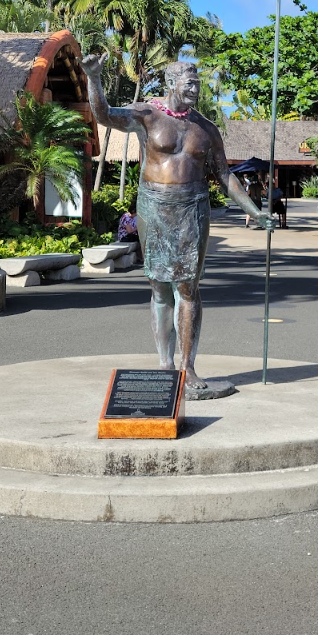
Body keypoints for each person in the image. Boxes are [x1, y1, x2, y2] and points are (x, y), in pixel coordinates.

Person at [83, 56, 273, 394]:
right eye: (189, 84)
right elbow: (103, 114)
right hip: (154, 206)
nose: (195, 90)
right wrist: (94, 78)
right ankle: (165, 365)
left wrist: (254, 211)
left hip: (193, 208)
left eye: (197, 84)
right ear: (172, 83)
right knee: (158, 286)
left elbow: (224, 175)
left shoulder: (205, 129)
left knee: (188, 288)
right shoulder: (146, 115)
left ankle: (188, 367)